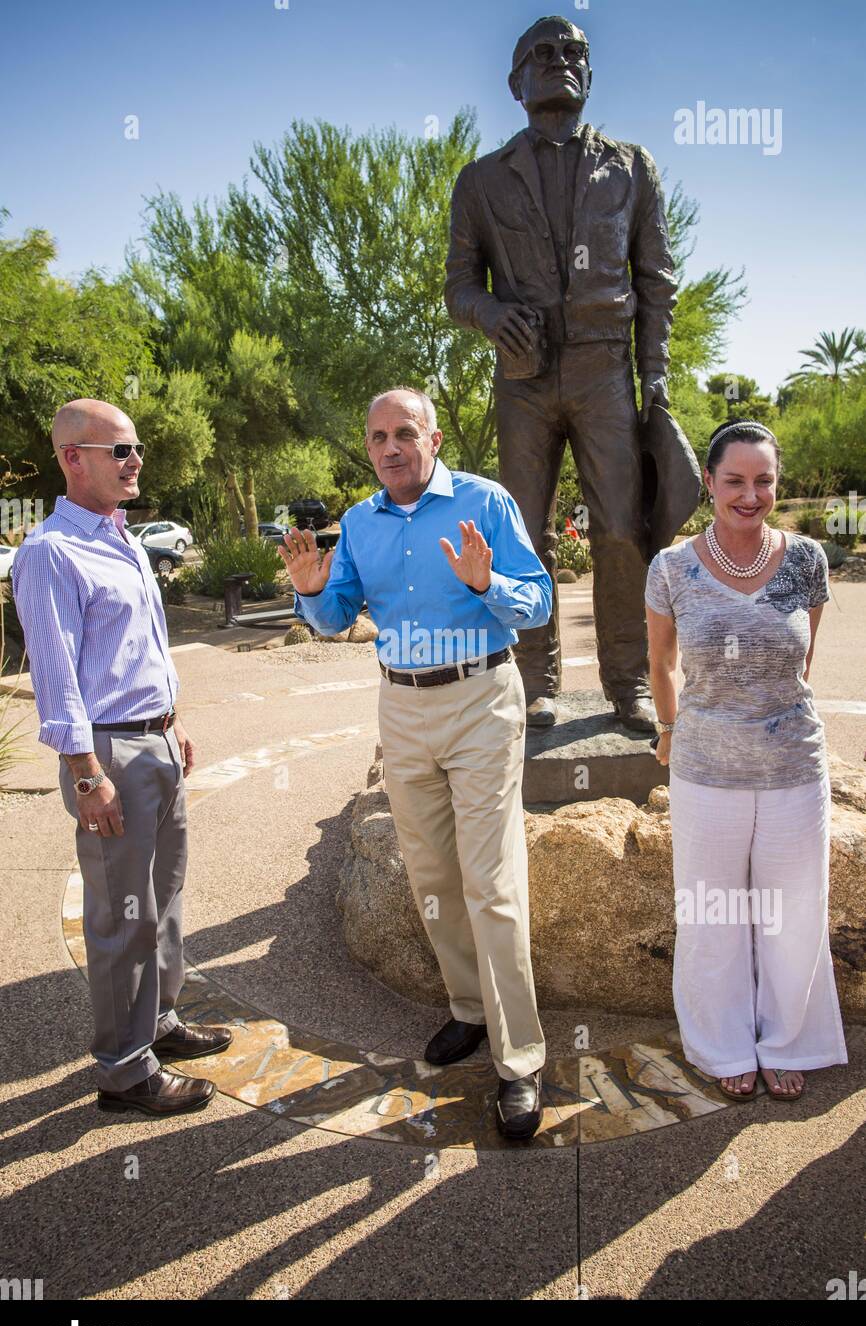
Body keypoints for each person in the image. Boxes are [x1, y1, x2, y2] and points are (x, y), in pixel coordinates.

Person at [280, 388, 551, 1138]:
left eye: (404, 433)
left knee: (491, 879)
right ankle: (468, 1008)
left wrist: (485, 584)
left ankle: (521, 1058)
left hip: (480, 699)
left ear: (432, 440)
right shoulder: (362, 522)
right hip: (401, 706)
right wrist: (310, 594)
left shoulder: (484, 502)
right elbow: (337, 616)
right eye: (377, 437)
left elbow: (538, 603)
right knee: (431, 873)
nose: (391, 446)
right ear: (367, 448)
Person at [445, 14, 677, 730]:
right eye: (541, 55)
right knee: (524, 531)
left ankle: (629, 683)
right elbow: (459, 286)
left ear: (588, 74)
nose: (559, 62)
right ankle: (536, 681)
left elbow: (657, 282)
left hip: (607, 372)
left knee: (620, 528)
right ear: (516, 83)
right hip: (524, 379)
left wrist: (655, 379)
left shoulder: (631, 167)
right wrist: (489, 315)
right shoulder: (481, 180)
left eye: (574, 52)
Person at [12, 398, 231, 1117]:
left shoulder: (123, 537)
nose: (135, 461)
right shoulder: (51, 551)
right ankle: (124, 1069)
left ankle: (158, 1024)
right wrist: (85, 773)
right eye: (120, 451)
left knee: (163, 900)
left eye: (136, 449)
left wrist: (173, 721)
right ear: (73, 458)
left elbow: (142, 650)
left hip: (157, 738)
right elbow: (57, 674)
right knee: (120, 915)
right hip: (108, 751)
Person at [645, 419, 848, 1102]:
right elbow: (661, 663)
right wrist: (670, 731)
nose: (750, 494)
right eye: (734, 480)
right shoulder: (672, 567)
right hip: (705, 771)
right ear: (709, 483)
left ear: (776, 483)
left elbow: (802, 661)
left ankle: (788, 1041)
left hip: (794, 766)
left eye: (763, 480)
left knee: (792, 916)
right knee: (712, 915)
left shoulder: (806, 561)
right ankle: (722, 1044)